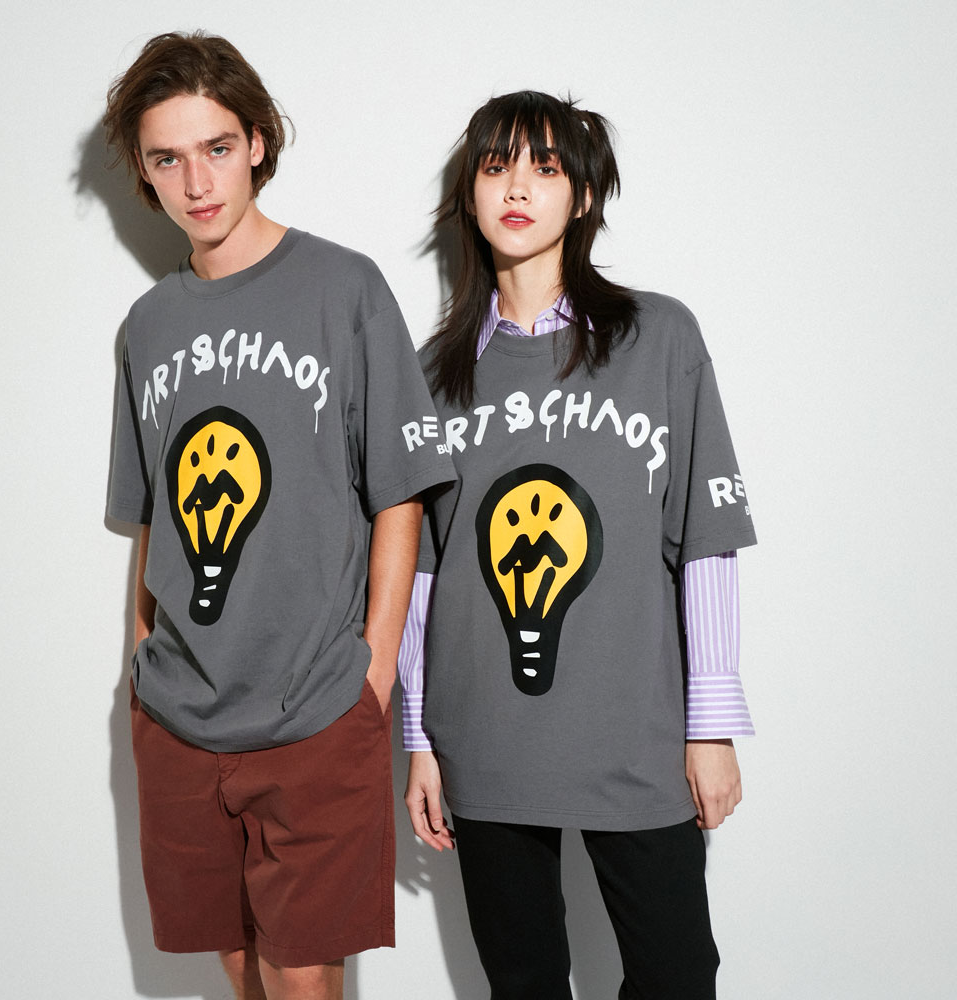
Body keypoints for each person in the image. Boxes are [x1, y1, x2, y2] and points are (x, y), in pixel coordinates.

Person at [103, 31, 454, 1000]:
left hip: (316, 706)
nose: (195, 182)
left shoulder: (344, 288)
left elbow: (399, 491)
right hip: (181, 711)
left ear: (257, 142)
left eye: (216, 148)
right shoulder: (149, 326)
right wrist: (140, 661)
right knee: (235, 964)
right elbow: (153, 515)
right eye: (167, 158)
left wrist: (374, 671)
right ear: (143, 169)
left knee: (302, 975)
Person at [400, 91, 757, 999]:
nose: (517, 188)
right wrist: (420, 738)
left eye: (546, 168)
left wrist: (710, 723)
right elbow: (423, 569)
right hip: (484, 737)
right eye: (495, 167)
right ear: (470, 195)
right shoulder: (435, 375)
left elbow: (705, 535)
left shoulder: (659, 337)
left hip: (633, 734)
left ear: (585, 195)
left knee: (679, 974)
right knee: (523, 982)